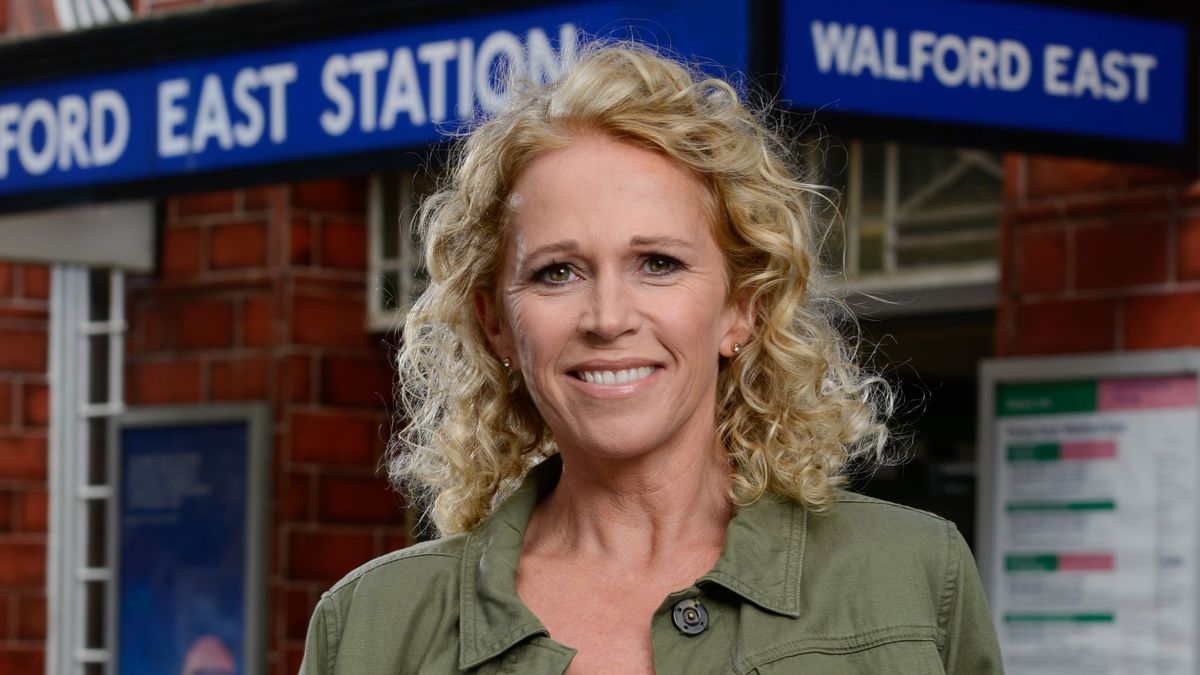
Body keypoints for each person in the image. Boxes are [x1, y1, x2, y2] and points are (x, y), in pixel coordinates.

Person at [299, 42, 1002, 674]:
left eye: (658, 262)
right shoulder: (370, 627)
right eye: (556, 272)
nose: (608, 318)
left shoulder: (913, 577)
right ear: (497, 326)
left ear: (742, 306)